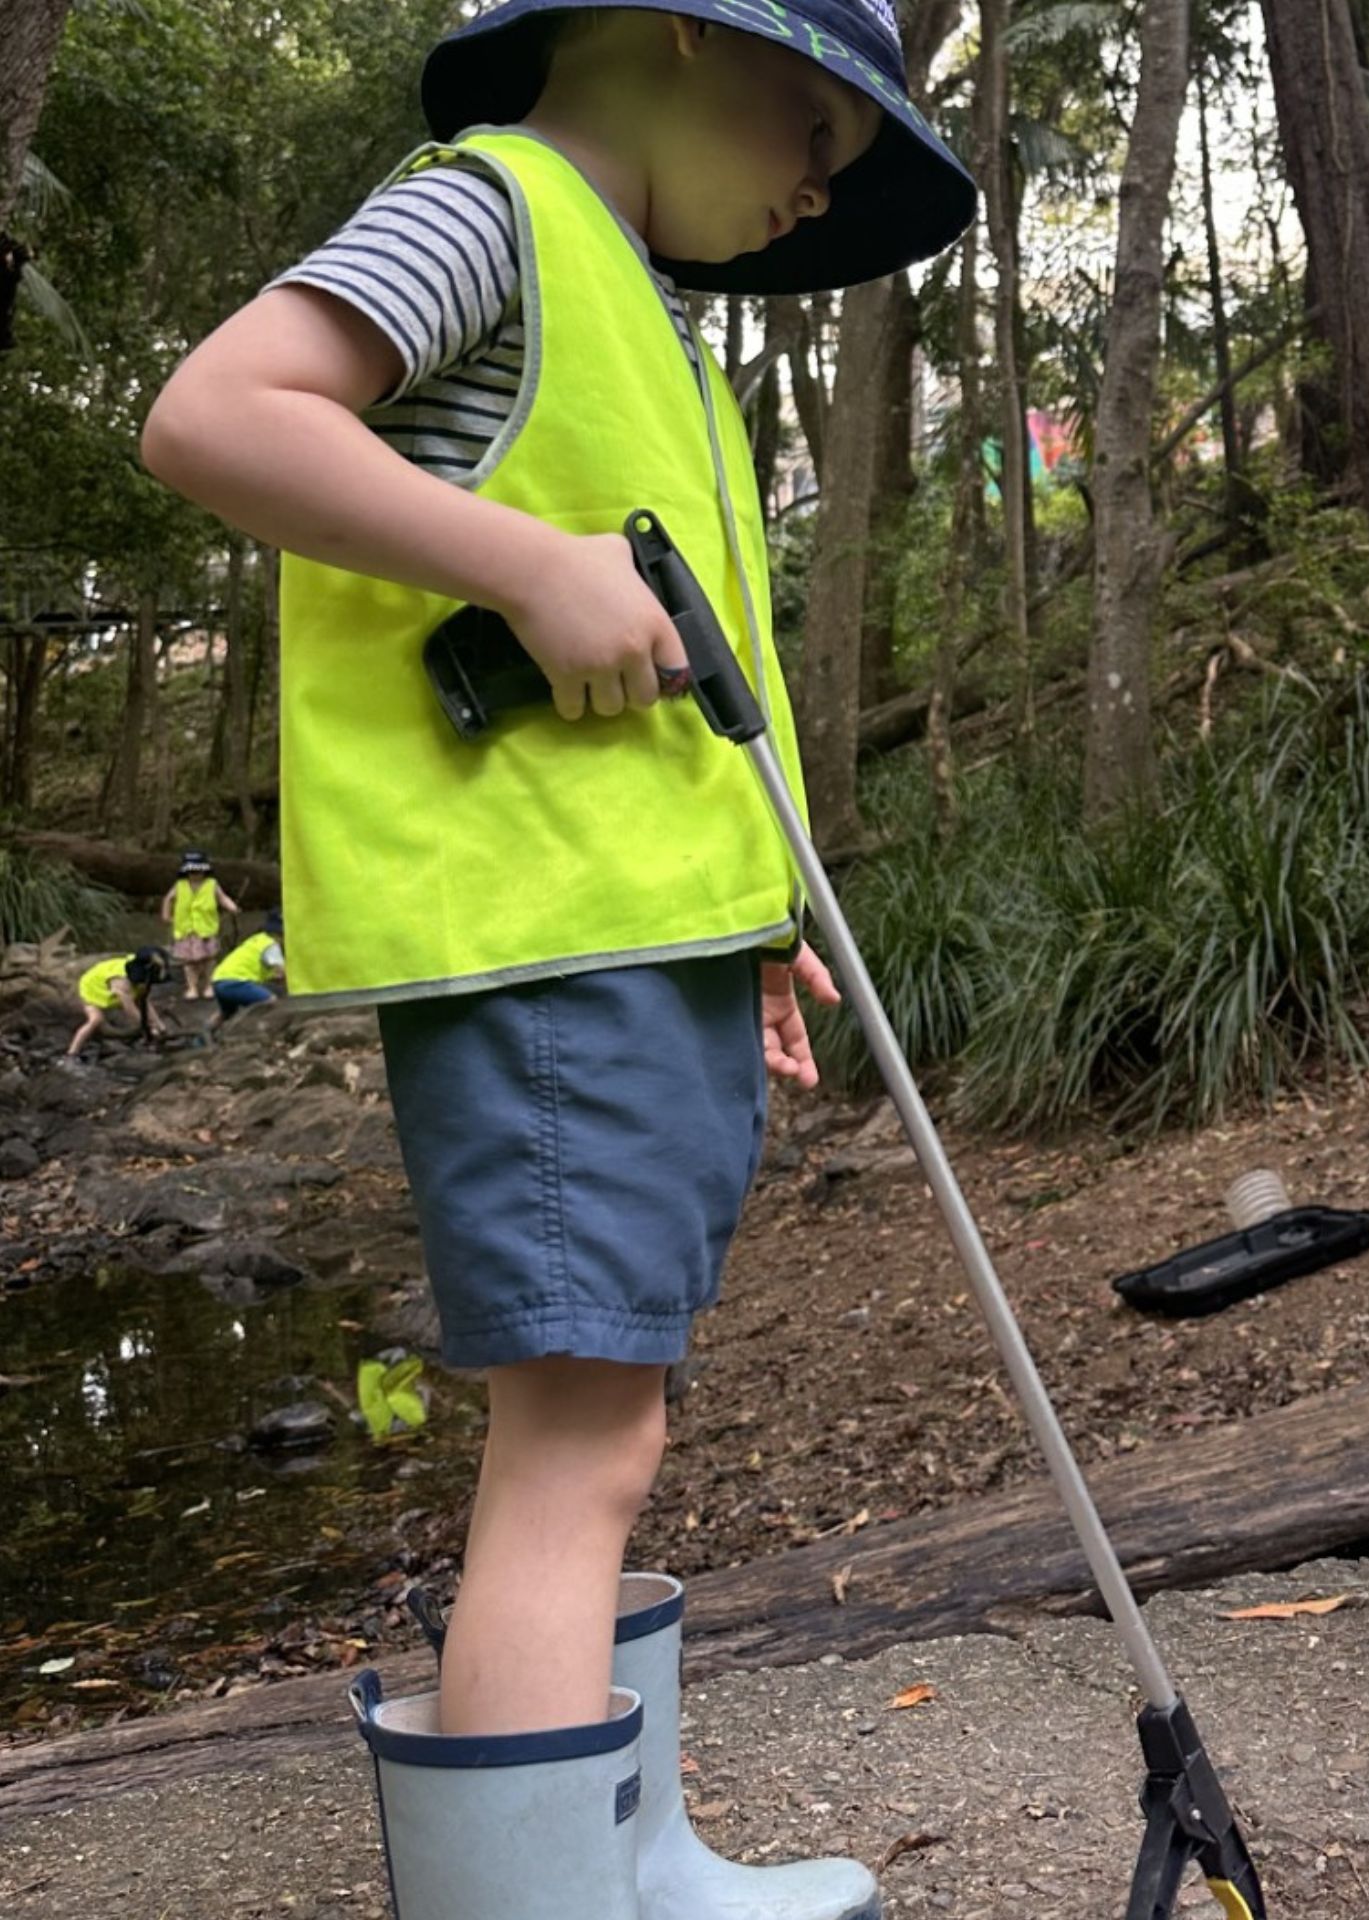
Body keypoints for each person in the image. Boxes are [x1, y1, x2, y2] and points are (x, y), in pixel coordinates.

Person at [139, 5, 974, 1916]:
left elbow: (660, 693)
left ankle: (629, 1856)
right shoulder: (491, 210)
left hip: (630, 939)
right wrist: (519, 563)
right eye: (818, 128)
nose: (811, 190)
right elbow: (216, 414)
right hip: (532, 955)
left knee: (613, 1417)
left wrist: (748, 920)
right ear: (675, 32)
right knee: (577, 1435)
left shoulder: (638, 305)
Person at [162, 850, 241, 1001]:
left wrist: (231, 907)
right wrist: (166, 915)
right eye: (191, 871)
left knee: (208, 959)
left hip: (206, 928)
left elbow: (222, 897)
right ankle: (192, 987)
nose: (195, 874)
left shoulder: (212, 884)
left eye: (198, 871)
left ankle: (208, 985)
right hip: (185, 929)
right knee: (189, 961)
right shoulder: (180, 885)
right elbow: (169, 899)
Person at [65, 947, 169, 1058]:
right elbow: (129, 1008)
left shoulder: (143, 972)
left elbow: (144, 1002)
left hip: (117, 987)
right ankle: (72, 1053)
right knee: (96, 1019)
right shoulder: (121, 981)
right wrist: (147, 1027)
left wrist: (160, 1025)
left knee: (140, 1000)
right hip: (92, 990)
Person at [210, 912, 287, 1023]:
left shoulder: (257, 939)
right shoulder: (271, 945)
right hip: (236, 981)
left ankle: (201, 1038)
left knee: (225, 1014)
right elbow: (281, 972)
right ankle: (251, 1027)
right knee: (270, 1001)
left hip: (219, 980)